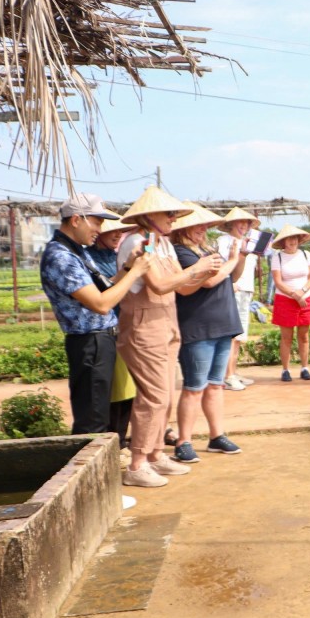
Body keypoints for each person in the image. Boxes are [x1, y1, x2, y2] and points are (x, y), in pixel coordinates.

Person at [117, 186, 216, 488]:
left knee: (166, 395)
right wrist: (197, 268)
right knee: (154, 396)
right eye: (169, 213)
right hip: (144, 325)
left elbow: (181, 287)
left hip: (167, 323)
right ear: (149, 216)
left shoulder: (164, 244)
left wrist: (204, 271)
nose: (174, 218)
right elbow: (159, 285)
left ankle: (156, 452)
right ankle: (137, 463)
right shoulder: (139, 241)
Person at [40, 194, 150, 437]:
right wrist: (135, 274)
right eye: (97, 222)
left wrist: (129, 267)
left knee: (101, 412)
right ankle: (84, 470)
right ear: (77, 220)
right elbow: (100, 304)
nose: (101, 229)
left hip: (99, 340)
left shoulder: (77, 251)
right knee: (92, 420)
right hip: (89, 342)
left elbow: (105, 288)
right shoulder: (61, 257)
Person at [168, 205, 245, 463]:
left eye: (204, 226)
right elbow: (210, 280)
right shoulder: (181, 252)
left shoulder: (206, 250)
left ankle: (216, 435)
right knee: (194, 387)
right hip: (198, 328)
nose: (203, 230)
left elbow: (231, 277)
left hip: (222, 324)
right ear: (183, 229)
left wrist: (239, 256)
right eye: (197, 226)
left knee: (215, 384)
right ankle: (184, 440)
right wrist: (231, 261)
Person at [85, 214, 138, 448]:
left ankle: (121, 438)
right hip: (105, 327)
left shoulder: (116, 255)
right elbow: (105, 290)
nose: (117, 234)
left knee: (127, 388)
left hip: (123, 326)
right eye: (111, 231)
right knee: (114, 390)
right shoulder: (90, 259)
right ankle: (113, 441)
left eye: (120, 231)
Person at [216, 207, 263, 391]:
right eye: (240, 222)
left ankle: (233, 373)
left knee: (240, 336)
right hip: (233, 290)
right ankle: (226, 376)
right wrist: (229, 283)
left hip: (246, 291)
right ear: (231, 224)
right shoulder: (224, 241)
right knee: (231, 336)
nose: (244, 225)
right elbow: (222, 263)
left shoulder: (249, 243)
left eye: (247, 222)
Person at [270, 224, 310, 382]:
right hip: (285, 299)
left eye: (295, 238)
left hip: (305, 298)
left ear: (299, 239)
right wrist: (294, 295)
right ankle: (285, 370)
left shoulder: (306, 255)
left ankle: (305, 368)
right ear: (283, 242)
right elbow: (278, 281)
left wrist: (302, 291)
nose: (292, 241)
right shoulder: (278, 257)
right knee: (286, 337)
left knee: (304, 336)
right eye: (289, 238)